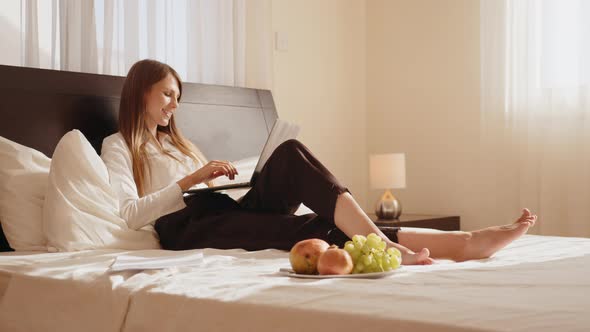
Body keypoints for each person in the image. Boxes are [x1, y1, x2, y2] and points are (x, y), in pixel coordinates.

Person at [101, 59, 537, 265]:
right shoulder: (117, 146)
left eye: (178, 97)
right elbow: (129, 215)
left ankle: (428, 244)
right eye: (167, 94)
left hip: (223, 209)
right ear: (140, 91)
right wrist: (194, 177)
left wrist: (232, 181)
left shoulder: (180, 144)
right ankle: (463, 244)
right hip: (187, 228)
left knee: (289, 153)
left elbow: (210, 192)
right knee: (316, 229)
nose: (174, 105)